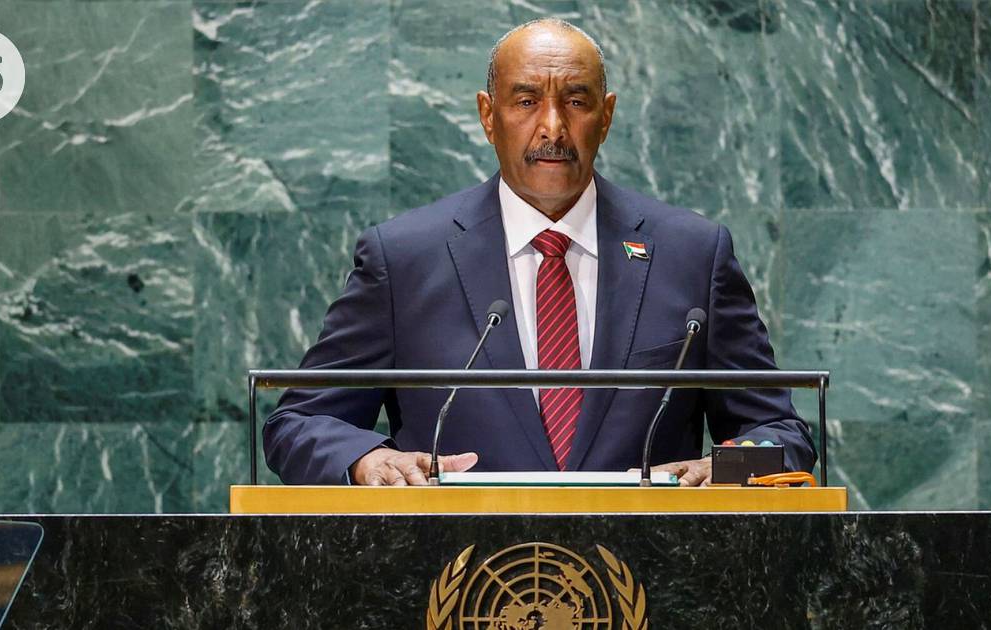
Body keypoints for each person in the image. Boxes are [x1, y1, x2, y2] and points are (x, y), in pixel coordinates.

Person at [264, 18, 815, 486]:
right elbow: (300, 421)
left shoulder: (693, 255)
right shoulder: (404, 258)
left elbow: (782, 433)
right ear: (487, 115)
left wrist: (727, 468)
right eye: (526, 101)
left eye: (576, 101)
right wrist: (367, 460)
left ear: (607, 116)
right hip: (458, 587)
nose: (552, 126)